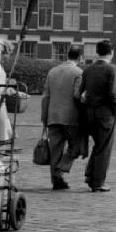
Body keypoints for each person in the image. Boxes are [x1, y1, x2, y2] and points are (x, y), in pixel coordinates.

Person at [79, 40, 116, 191]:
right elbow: (114, 94)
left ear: (97, 52)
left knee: (98, 145)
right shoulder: (112, 69)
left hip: (89, 113)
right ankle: (98, 182)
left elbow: (81, 92)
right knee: (104, 148)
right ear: (111, 52)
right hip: (105, 114)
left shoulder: (88, 69)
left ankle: (91, 175)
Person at [41, 46, 84, 190]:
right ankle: (61, 169)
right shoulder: (79, 72)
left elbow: (46, 96)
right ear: (80, 57)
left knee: (55, 150)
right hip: (71, 117)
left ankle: (56, 181)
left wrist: (44, 116)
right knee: (76, 147)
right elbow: (77, 96)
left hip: (53, 116)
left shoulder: (52, 72)